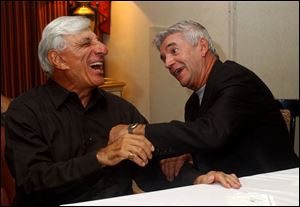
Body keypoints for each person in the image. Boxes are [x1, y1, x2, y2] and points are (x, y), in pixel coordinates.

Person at [4, 16, 240, 206]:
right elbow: (32, 181)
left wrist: (197, 179)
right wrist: (101, 157)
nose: (103, 49)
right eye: (87, 43)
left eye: (98, 41)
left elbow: (151, 168)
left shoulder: (121, 110)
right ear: (58, 59)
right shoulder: (26, 110)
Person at [109, 20, 299, 191]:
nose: (167, 63)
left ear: (202, 46)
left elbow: (211, 133)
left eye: (174, 51)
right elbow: (210, 140)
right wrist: (188, 154)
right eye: (163, 58)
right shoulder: (192, 103)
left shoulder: (235, 78)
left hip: (275, 186)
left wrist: (137, 130)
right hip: (232, 186)